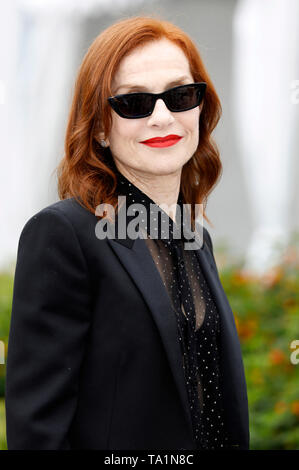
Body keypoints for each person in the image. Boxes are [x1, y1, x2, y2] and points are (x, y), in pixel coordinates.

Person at [5, 15, 249, 450]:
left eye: (180, 95)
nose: (162, 117)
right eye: (134, 103)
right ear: (99, 126)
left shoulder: (194, 237)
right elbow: (38, 429)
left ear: (200, 108)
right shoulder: (64, 234)